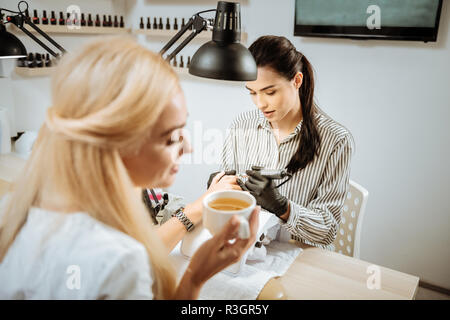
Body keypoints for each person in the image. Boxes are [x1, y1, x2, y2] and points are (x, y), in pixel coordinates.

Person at [0, 36, 259, 299]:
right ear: (119, 146)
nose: (189, 147)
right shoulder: (120, 262)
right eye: (171, 137)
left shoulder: (12, 212)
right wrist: (194, 277)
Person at [221, 35, 354, 250]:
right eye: (252, 93)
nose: (260, 103)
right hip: (249, 250)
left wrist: (283, 207)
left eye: (270, 92)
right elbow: (228, 203)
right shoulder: (241, 125)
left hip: (300, 257)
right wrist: (219, 189)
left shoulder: (335, 140)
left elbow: (327, 231)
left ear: (297, 81)